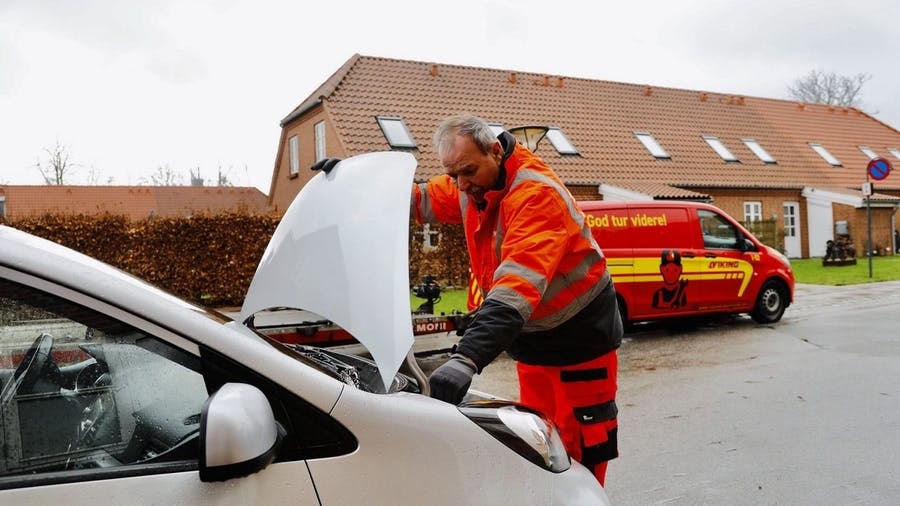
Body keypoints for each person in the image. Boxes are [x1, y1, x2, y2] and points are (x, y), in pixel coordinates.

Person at [411, 114, 623, 486]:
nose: (460, 185)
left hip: (581, 342)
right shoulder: (469, 184)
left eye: (467, 172)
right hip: (535, 341)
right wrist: (353, 184)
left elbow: (516, 286)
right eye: (452, 174)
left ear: (495, 151)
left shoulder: (536, 194)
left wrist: (466, 357)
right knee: (541, 444)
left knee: (582, 452)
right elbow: (419, 200)